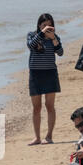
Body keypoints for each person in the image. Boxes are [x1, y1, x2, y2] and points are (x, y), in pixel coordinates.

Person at [26, 13, 64, 145]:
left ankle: (49, 136)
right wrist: (42, 33)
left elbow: (60, 52)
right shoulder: (32, 35)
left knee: (50, 106)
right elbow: (31, 46)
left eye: (49, 24)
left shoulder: (54, 37)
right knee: (36, 107)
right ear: (39, 25)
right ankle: (37, 137)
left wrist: (53, 39)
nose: (47, 27)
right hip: (35, 74)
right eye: (44, 25)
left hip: (50, 74)